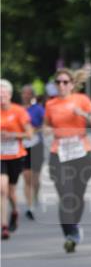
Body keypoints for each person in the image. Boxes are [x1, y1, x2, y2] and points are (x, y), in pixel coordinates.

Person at [44, 68, 91, 253]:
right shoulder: (50, 104)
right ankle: (71, 234)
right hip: (59, 153)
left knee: (77, 196)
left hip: (81, 153)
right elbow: (46, 124)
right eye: (58, 82)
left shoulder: (82, 100)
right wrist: (46, 130)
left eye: (65, 82)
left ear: (72, 84)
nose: (61, 85)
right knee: (66, 196)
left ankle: (74, 224)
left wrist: (83, 114)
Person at [0, 79, 33, 240]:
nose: (1, 97)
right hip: (0, 157)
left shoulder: (18, 111)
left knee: (11, 190)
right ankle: (4, 226)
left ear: (10, 95)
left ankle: (14, 211)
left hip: (15, 155)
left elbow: (29, 134)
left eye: (3, 94)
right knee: (2, 189)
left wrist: (12, 135)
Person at [20, 85, 45, 220]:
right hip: (23, 146)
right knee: (26, 177)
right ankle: (30, 207)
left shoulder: (38, 109)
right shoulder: (17, 110)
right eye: (24, 93)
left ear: (33, 96)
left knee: (35, 179)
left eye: (29, 94)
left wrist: (36, 130)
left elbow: (46, 124)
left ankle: (36, 195)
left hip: (36, 145)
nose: (26, 96)